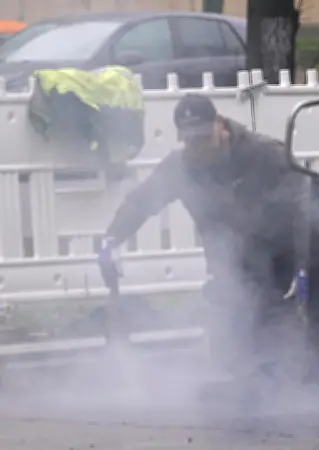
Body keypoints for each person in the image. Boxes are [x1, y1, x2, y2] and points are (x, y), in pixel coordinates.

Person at [98, 94, 303, 386]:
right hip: (231, 276)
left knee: (278, 357)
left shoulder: (264, 155)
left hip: (281, 276)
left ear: (220, 125)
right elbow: (141, 202)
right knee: (229, 356)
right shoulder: (180, 167)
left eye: (203, 138)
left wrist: (304, 267)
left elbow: (306, 206)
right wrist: (111, 238)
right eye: (190, 141)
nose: (197, 148)